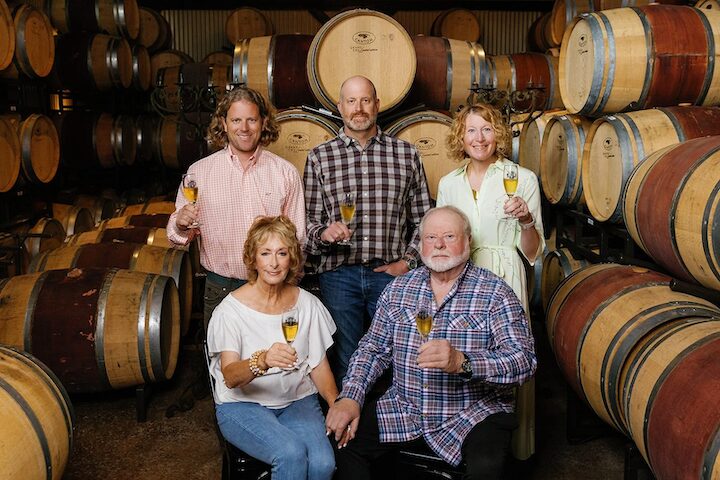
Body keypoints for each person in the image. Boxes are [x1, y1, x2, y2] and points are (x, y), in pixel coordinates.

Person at [325, 206, 537, 480]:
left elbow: (524, 360)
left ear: (467, 241)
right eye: (430, 237)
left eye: (449, 236)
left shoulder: (495, 292)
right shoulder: (399, 289)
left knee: (487, 468)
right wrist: (351, 396)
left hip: (472, 413)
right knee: (342, 441)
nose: (438, 244)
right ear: (421, 244)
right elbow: (373, 349)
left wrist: (463, 362)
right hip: (405, 408)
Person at [303, 75, 433, 386]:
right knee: (347, 357)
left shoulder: (406, 154)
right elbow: (306, 222)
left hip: (389, 274)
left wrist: (408, 262)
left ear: (377, 104)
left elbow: (424, 220)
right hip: (338, 276)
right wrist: (323, 233)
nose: (358, 108)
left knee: (396, 355)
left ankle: (387, 426)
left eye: (365, 100)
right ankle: (354, 430)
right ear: (339, 107)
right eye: (351, 101)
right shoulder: (320, 157)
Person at [436, 103, 544, 460]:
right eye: (470, 130)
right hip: (461, 279)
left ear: (498, 134)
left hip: (505, 274)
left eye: (486, 129)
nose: (479, 138)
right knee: (464, 356)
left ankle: (515, 448)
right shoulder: (448, 183)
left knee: (510, 357)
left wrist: (527, 219)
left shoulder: (522, 177)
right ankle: (463, 444)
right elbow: (440, 240)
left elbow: (532, 252)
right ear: (460, 136)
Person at [206, 216, 337, 480]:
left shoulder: (308, 304)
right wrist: (263, 360)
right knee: (291, 453)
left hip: (296, 400)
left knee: (323, 463)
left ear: (292, 259)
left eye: (282, 253)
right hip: (243, 405)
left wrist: (337, 404)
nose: (274, 263)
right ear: (253, 259)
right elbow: (230, 376)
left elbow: (319, 366)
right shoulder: (230, 311)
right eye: (265, 253)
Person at [167, 86, 306, 329]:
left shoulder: (285, 173)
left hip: (273, 288)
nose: (244, 128)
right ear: (224, 122)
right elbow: (178, 237)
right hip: (221, 288)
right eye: (236, 120)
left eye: (251, 119)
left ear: (263, 122)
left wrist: (288, 287)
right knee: (222, 365)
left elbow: (298, 239)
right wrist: (180, 223)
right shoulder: (199, 173)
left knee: (276, 363)